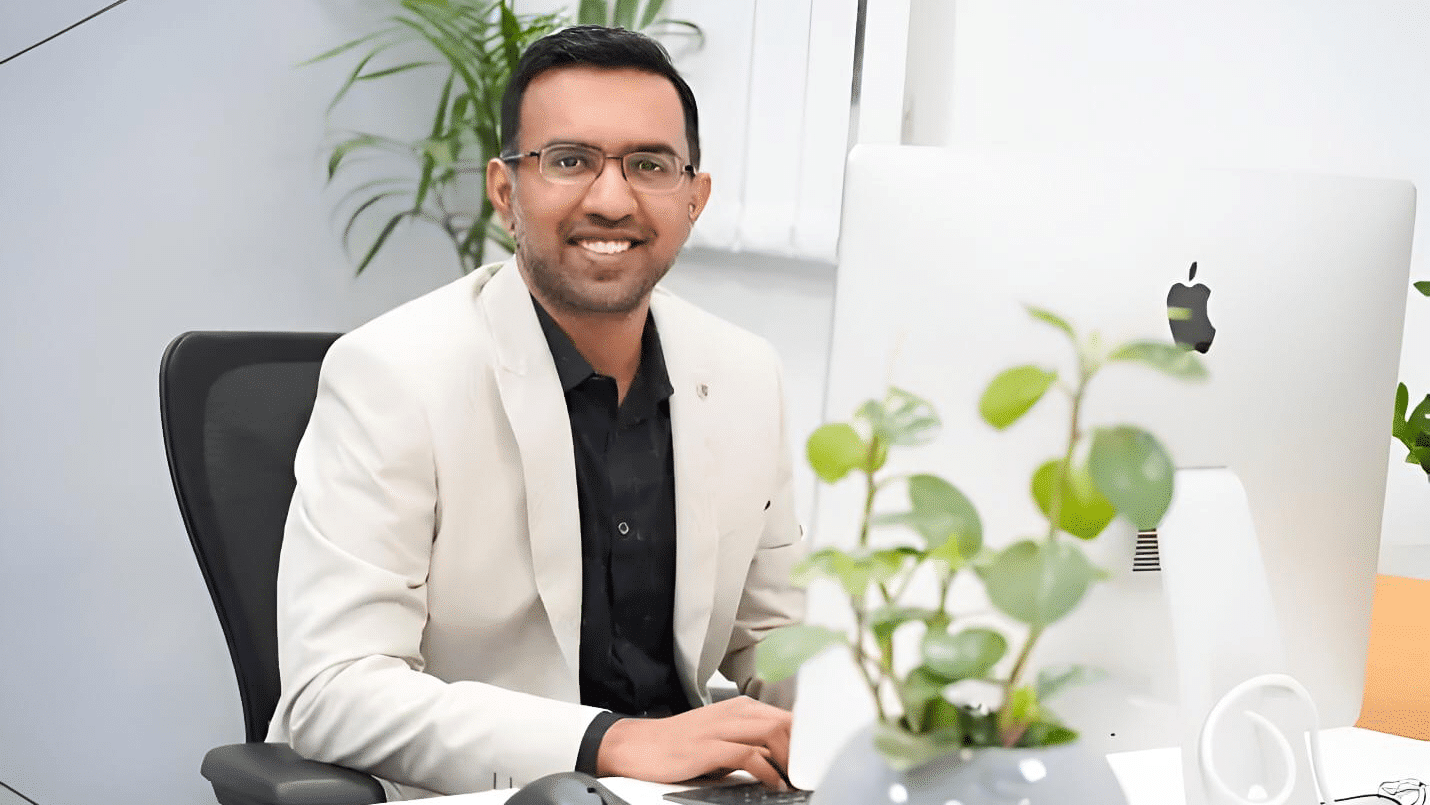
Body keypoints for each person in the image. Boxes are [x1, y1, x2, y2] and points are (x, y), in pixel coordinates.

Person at [265, 25, 806, 800]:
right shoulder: (392, 375)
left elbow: (778, 637)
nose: (611, 199)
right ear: (504, 191)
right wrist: (610, 742)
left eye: (650, 164)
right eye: (570, 160)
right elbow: (333, 690)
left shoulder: (746, 373)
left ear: (695, 198)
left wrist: (904, 703)